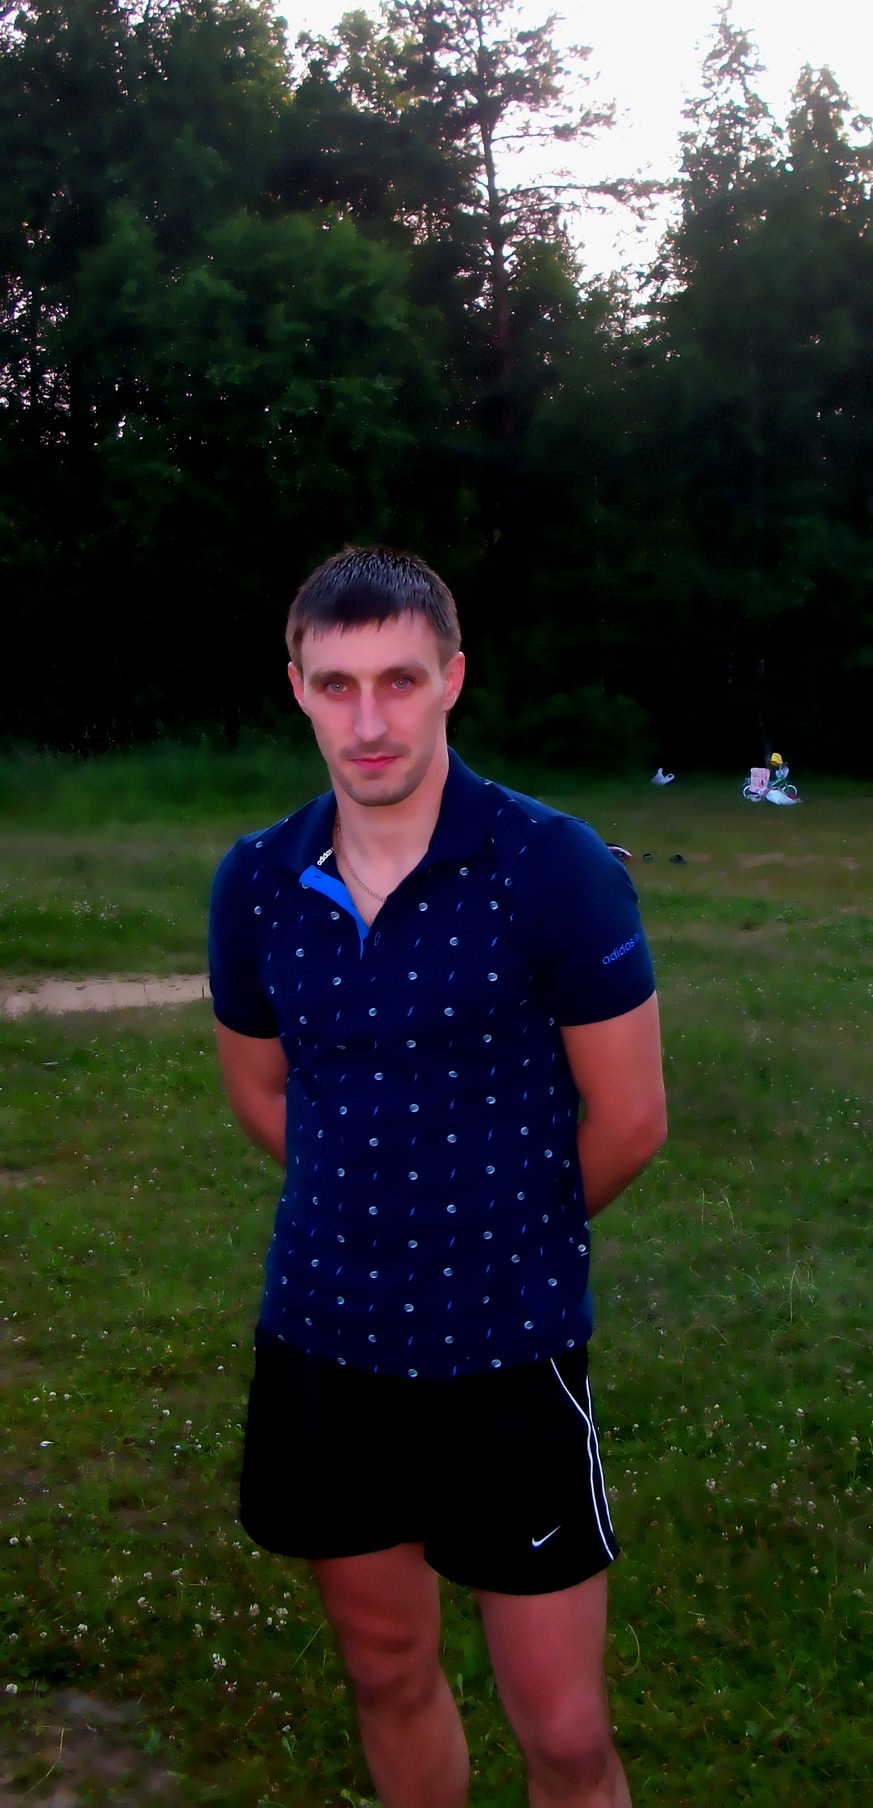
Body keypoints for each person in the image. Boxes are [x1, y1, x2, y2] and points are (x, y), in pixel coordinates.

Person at [209, 546, 667, 1808]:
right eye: (338, 684)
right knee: (386, 1666)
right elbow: (260, 1091)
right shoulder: (258, 880)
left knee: (565, 1728)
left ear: (452, 678)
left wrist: (495, 1229)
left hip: (506, 1346)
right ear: (298, 688)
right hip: (327, 1340)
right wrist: (376, 1210)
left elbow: (630, 1118)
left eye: (400, 680)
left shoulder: (552, 864)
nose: (370, 721)